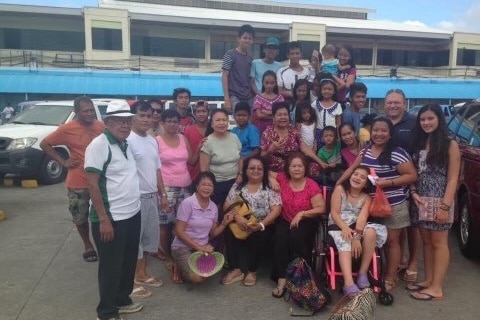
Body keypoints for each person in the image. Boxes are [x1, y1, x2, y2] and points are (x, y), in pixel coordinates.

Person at [336, 117, 417, 291]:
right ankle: (372, 272)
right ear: (370, 132)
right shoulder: (364, 152)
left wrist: (387, 182)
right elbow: (351, 170)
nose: (379, 134)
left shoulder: (397, 152)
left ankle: (390, 277)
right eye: (376, 130)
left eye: (383, 131)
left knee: (392, 242)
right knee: (375, 238)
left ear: (390, 134)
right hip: (370, 205)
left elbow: (411, 175)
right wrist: (337, 186)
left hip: (394, 203)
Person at [84, 100, 143, 319]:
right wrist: (103, 219)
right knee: (110, 267)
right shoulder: (99, 145)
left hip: (131, 213)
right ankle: (107, 312)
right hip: (111, 217)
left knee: (128, 263)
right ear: (107, 122)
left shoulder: (125, 143)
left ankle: (122, 300)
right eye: (119, 121)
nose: (125, 125)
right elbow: (92, 183)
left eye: (128, 121)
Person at [40, 96, 105, 262]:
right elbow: (45, 144)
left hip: (99, 181)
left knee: (102, 214)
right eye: (86, 111)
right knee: (80, 216)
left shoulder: (100, 126)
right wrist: (63, 162)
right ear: (77, 112)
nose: (90, 114)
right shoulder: (67, 128)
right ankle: (88, 245)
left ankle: (103, 244)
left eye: (92, 110)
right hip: (78, 181)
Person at [408, 104, 460, 301]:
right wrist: (413, 192)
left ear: (439, 119)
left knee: (439, 243)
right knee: (427, 242)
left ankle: (437, 287)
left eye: (430, 118)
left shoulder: (449, 144)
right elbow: (414, 172)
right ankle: (428, 280)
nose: (426, 123)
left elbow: (453, 179)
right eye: (422, 119)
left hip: (439, 198)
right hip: (420, 198)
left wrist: (445, 207)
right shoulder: (419, 142)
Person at [269, 152, 326, 298]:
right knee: (279, 237)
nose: (296, 169)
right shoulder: (282, 178)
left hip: (306, 219)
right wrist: (272, 180)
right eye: (293, 166)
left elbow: (321, 208)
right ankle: (282, 278)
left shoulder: (311, 185)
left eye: (300, 166)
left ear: (305, 168)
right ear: (288, 168)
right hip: (285, 218)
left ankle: (300, 277)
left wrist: (302, 214)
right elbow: (265, 171)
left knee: (296, 236)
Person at [127, 101, 169, 299]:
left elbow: (157, 169)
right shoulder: (127, 140)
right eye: (141, 115)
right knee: (133, 242)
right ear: (133, 116)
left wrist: (163, 195)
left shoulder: (153, 140)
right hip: (135, 198)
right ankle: (129, 281)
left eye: (149, 115)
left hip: (152, 196)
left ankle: (142, 274)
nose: (146, 119)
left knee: (148, 240)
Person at [222, 156, 282, 286]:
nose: (255, 171)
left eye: (259, 168)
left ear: (264, 171)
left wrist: (260, 225)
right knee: (228, 227)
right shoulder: (239, 185)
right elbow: (227, 204)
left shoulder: (269, 187)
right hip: (240, 220)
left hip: (263, 223)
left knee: (257, 233)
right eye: (252, 168)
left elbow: (276, 210)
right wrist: (237, 217)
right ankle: (235, 269)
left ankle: (251, 270)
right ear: (246, 170)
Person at [328, 165, 387, 295]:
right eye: (355, 174)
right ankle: (348, 283)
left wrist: (357, 237)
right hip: (338, 225)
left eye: (362, 177)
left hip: (357, 227)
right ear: (350, 176)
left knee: (371, 231)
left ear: (366, 184)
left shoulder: (366, 198)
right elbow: (334, 213)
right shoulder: (340, 190)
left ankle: (362, 273)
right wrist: (345, 228)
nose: (357, 178)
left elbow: (362, 219)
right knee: (346, 239)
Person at [171, 172, 234, 283]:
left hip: (201, 248)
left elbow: (213, 233)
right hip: (182, 247)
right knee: (198, 279)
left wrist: (224, 223)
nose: (206, 188)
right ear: (197, 186)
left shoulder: (213, 207)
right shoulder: (187, 203)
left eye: (210, 185)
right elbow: (179, 231)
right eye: (203, 184)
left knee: (206, 274)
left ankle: (183, 266)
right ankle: (177, 265)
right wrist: (200, 247)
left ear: (213, 188)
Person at [384, 88, 419, 282]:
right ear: (385, 104)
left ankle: (413, 261)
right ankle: (401, 258)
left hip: (412, 176)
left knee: (413, 223)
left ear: (404, 104)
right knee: (399, 223)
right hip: (391, 182)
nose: (393, 105)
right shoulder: (383, 122)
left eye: (397, 102)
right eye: (389, 102)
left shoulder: (414, 122)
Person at [156, 109, 194, 284]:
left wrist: (201, 147)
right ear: (162, 123)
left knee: (182, 224)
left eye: (175, 121)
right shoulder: (157, 141)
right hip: (167, 187)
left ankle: (181, 255)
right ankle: (168, 257)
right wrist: (162, 193)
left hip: (185, 186)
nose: (172, 124)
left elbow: (191, 161)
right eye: (169, 121)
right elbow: (155, 169)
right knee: (164, 224)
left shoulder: (183, 138)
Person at [200, 109, 242, 208]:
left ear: (228, 122)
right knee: (217, 213)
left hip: (235, 182)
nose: (221, 123)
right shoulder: (208, 142)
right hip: (216, 185)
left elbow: (240, 158)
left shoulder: (234, 137)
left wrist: (241, 174)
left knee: (234, 211)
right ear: (212, 124)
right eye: (218, 120)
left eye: (224, 120)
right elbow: (204, 170)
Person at [222, 24, 255, 113]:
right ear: (238, 39)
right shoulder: (230, 54)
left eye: (249, 38)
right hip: (234, 96)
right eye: (245, 38)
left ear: (252, 41)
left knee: (250, 123)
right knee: (240, 121)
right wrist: (227, 98)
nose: (247, 40)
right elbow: (224, 75)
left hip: (248, 97)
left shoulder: (251, 58)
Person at [260, 101, 302, 172]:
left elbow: (302, 145)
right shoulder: (268, 133)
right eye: (279, 115)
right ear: (274, 117)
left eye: (285, 114)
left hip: (294, 166)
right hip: (275, 170)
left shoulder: (292, 129)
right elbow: (262, 157)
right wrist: (270, 150)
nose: (283, 117)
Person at [312, 73, 342, 146]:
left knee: (331, 152)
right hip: (319, 133)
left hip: (332, 134)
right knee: (319, 152)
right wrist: (313, 135)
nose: (327, 91)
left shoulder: (337, 105)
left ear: (334, 91)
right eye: (324, 89)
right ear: (321, 90)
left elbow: (338, 123)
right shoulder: (315, 104)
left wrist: (338, 136)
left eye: (329, 89)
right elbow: (313, 121)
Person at [184, 101, 209, 183]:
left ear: (208, 113)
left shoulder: (213, 129)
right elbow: (190, 161)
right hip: (193, 175)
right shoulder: (189, 131)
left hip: (211, 174)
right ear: (194, 114)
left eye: (204, 111)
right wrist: (198, 148)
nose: (201, 114)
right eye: (198, 111)